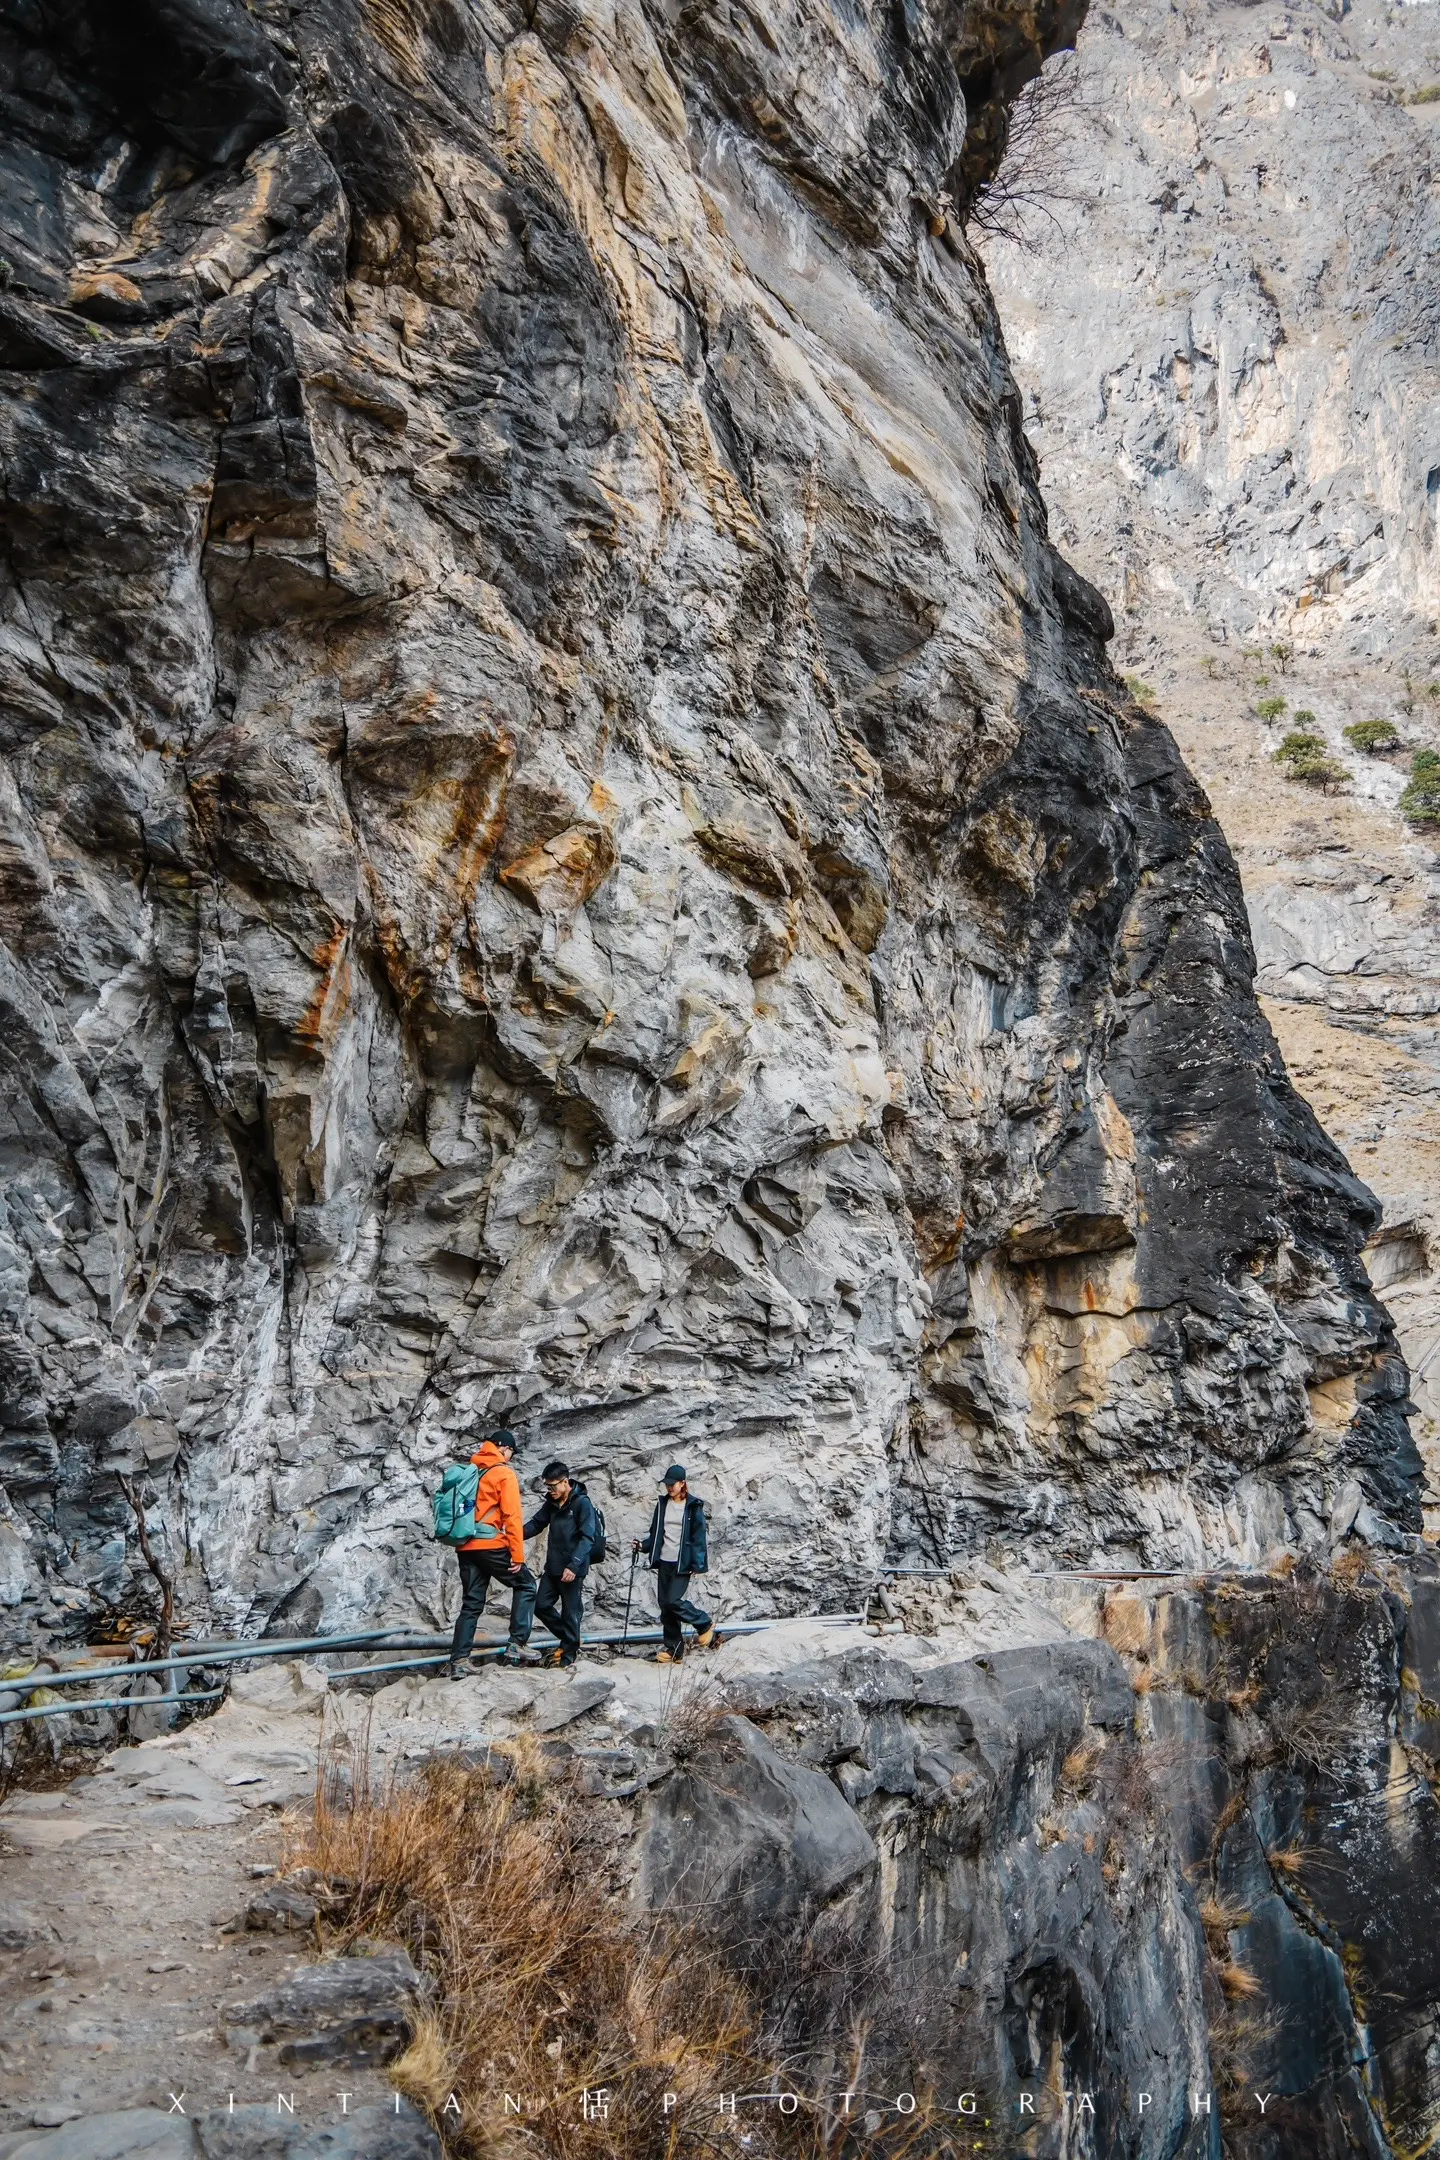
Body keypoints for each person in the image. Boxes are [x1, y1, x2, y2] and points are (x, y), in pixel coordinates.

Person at [446, 1429, 538, 1678]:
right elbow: (512, 1517)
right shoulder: (503, 1473)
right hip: (491, 1544)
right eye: (510, 1452)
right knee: (527, 1585)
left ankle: (459, 1661)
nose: (510, 1456)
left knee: (471, 1605)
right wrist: (518, 1555)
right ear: (504, 1448)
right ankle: (517, 1644)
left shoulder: (471, 1470)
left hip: (465, 1546)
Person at [524, 1460, 599, 1668]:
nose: (551, 1490)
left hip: (572, 1569)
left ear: (565, 1482)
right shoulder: (551, 1503)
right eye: (548, 1487)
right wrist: (515, 1534)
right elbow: (537, 1523)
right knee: (541, 1606)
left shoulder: (582, 1503)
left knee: (571, 1611)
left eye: (553, 1486)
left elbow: (587, 1538)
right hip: (553, 1567)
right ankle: (569, 1640)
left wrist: (573, 1566)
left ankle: (568, 1658)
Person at [635, 1464, 714, 1664]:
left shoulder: (693, 1506)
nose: (669, 1487)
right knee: (665, 1606)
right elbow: (656, 1533)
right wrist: (643, 1546)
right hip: (664, 1561)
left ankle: (704, 1623)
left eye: (672, 1484)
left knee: (674, 1601)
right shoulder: (662, 1504)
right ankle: (674, 1650)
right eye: (667, 1484)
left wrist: (696, 1564)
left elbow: (698, 1537)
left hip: (682, 1563)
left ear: (682, 1483)